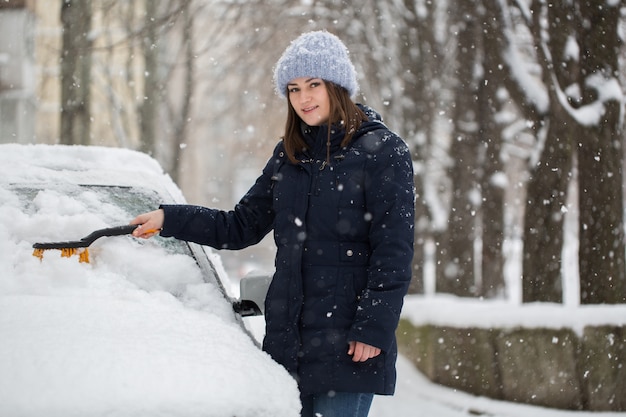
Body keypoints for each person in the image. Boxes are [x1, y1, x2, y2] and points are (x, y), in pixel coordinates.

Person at [131, 30, 415, 417]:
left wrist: (372, 328)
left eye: (314, 85)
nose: (304, 98)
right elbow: (240, 225)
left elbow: (393, 253)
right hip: (288, 346)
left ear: (338, 86)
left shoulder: (383, 152)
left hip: (348, 343)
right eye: (294, 89)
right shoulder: (290, 156)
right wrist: (170, 218)